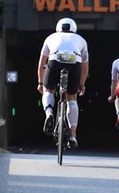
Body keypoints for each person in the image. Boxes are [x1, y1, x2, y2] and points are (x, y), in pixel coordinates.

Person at [37, 18, 89, 149]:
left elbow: (41, 64)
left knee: (48, 91)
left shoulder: (50, 37)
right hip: (74, 62)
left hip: (54, 59)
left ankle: (49, 113)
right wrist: (82, 84)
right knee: (72, 99)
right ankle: (72, 135)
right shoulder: (81, 40)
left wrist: (40, 82)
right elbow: (84, 68)